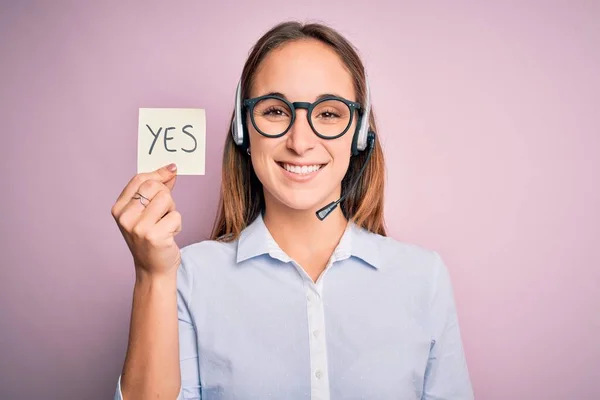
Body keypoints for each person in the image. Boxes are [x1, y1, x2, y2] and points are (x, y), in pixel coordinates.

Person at [111, 21, 474, 400]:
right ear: (242, 130)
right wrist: (152, 276)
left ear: (361, 133)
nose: (300, 142)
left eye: (329, 114)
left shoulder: (423, 278)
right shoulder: (188, 276)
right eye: (275, 111)